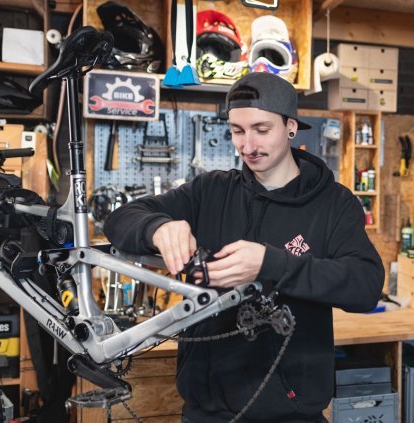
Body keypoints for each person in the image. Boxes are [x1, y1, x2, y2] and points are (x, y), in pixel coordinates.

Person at [103, 71, 385, 423]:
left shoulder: (333, 204)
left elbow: (366, 285)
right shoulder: (209, 191)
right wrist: (158, 228)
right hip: (207, 412)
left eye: (261, 130)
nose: (247, 146)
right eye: (237, 131)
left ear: (291, 126)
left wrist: (273, 265)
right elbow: (120, 219)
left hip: (291, 412)